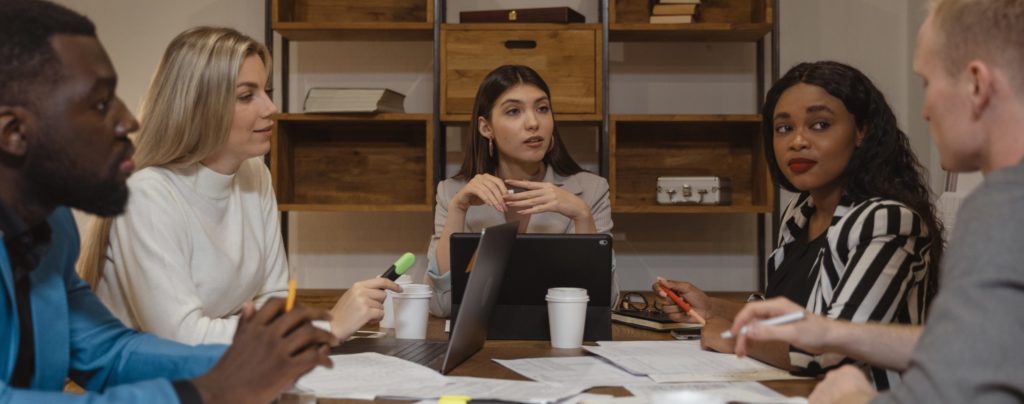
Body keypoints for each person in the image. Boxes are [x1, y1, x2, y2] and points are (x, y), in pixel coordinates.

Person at [0, 1, 334, 402]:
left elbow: (108, 351)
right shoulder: (148, 194)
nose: (130, 121)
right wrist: (203, 392)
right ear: (14, 132)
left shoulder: (51, 225)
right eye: (101, 103)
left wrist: (248, 363)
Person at [729, 0, 1024, 402]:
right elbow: (979, 348)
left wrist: (856, 398)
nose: (924, 110)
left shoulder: (1001, 211)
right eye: (784, 128)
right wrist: (833, 332)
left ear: (976, 84)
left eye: (927, 83)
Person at [75, 27, 399, 345]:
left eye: (266, 92)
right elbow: (180, 337)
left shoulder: (254, 174)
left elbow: (274, 302)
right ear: (199, 108)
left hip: (223, 376)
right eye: (247, 96)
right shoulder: (146, 195)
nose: (270, 108)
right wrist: (322, 328)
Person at [654, 61, 944, 389]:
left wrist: (733, 335)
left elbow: (833, 351)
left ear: (862, 130)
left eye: (820, 124)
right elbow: (792, 319)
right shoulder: (799, 211)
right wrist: (709, 306)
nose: (797, 141)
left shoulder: (887, 220)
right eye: (783, 128)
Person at [425, 65, 614, 317]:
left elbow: (602, 305)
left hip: (558, 345)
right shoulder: (452, 193)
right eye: (514, 111)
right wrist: (459, 209)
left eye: (542, 108)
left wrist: (582, 216)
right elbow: (442, 306)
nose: (534, 123)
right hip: (482, 348)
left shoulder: (591, 190)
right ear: (486, 127)